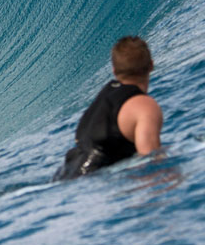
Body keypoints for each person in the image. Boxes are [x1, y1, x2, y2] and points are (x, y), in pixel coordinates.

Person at [54, 36, 164, 180]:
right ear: (151, 65)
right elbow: (151, 163)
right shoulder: (144, 106)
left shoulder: (103, 98)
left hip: (64, 175)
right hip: (89, 181)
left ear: (114, 70)